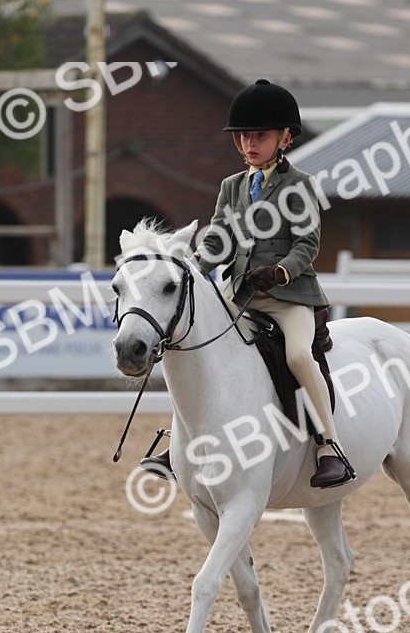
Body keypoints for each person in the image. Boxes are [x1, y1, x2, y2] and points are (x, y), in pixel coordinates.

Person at [142, 78, 355, 489]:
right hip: (240, 294)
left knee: (297, 357)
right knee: (190, 345)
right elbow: (220, 236)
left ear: (285, 137)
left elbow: (307, 244)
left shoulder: (300, 186)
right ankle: (181, 444)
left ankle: (329, 445)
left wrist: (279, 272)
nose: (250, 144)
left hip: (288, 296)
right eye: (244, 136)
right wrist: (199, 264)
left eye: (260, 135)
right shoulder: (232, 187)